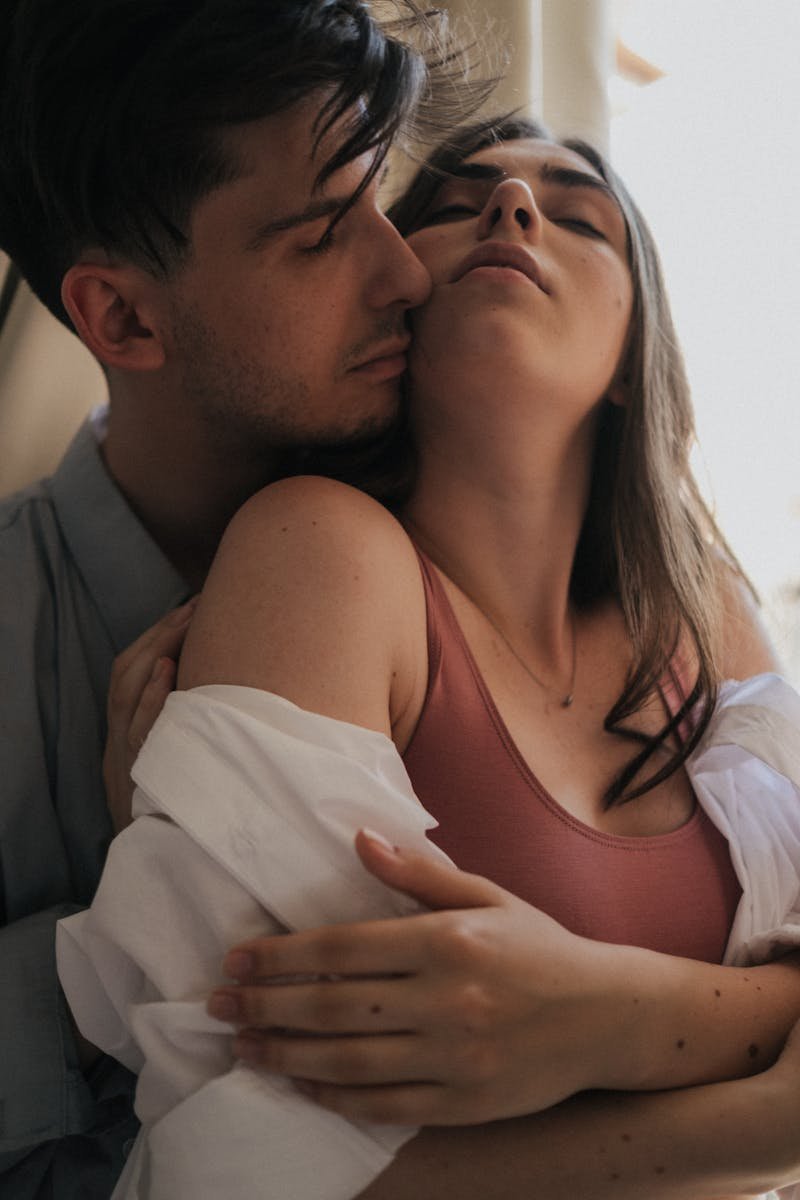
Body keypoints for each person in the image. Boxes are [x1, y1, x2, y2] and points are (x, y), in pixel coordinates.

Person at [57, 116, 800, 1198]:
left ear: (634, 364)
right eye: (454, 204)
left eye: (578, 215)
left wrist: (604, 1017)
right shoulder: (319, 551)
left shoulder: (700, 609)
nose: (509, 209)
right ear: (392, 311)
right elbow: (234, 1159)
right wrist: (763, 1124)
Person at [0, 1, 491, 1195]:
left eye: (384, 198)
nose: (402, 266)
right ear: (122, 315)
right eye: (323, 234)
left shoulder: (487, 539)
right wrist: (153, 901)